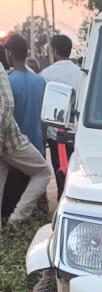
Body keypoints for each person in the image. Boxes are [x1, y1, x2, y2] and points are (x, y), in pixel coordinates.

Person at [0, 60, 50, 229]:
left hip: (10, 142)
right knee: (43, 172)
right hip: (11, 140)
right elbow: (7, 103)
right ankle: (16, 221)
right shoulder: (39, 80)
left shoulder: (13, 78)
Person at [41, 34, 85, 198]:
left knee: (61, 175)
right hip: (79, 135)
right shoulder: (83, 74)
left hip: (57, 137)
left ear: (54, 51)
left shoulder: (45, 75)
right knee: (78, 177)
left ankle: (62, 204)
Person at [4, 33, 46, 154]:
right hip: (37, 148)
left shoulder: (7, 83)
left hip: (16, 152)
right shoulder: (40, 81)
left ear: (9, 53)